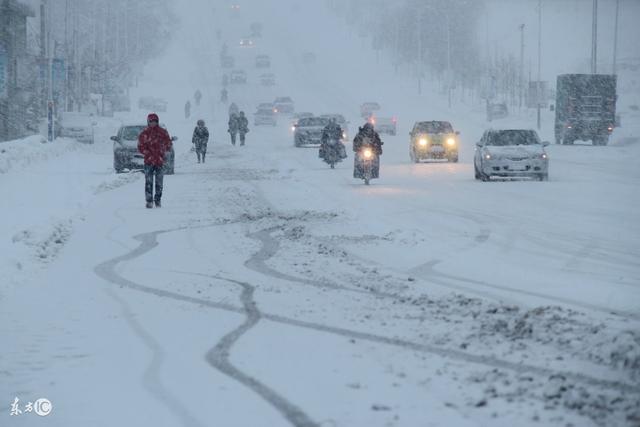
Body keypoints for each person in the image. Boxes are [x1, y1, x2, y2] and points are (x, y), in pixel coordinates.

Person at [138, 113, 173, 208]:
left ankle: (158, 200)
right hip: (149, 161)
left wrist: (163, 151)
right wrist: (147, 153)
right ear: (148, 122)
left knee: (159, 182)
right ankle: (149, 201)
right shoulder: (144, 133)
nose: (153, 123)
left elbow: (168, 144)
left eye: (155, 121)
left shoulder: (163, 132)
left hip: (160, 161)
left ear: (157, 122)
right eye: (151, 121)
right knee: (148, 182)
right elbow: (140, 147)